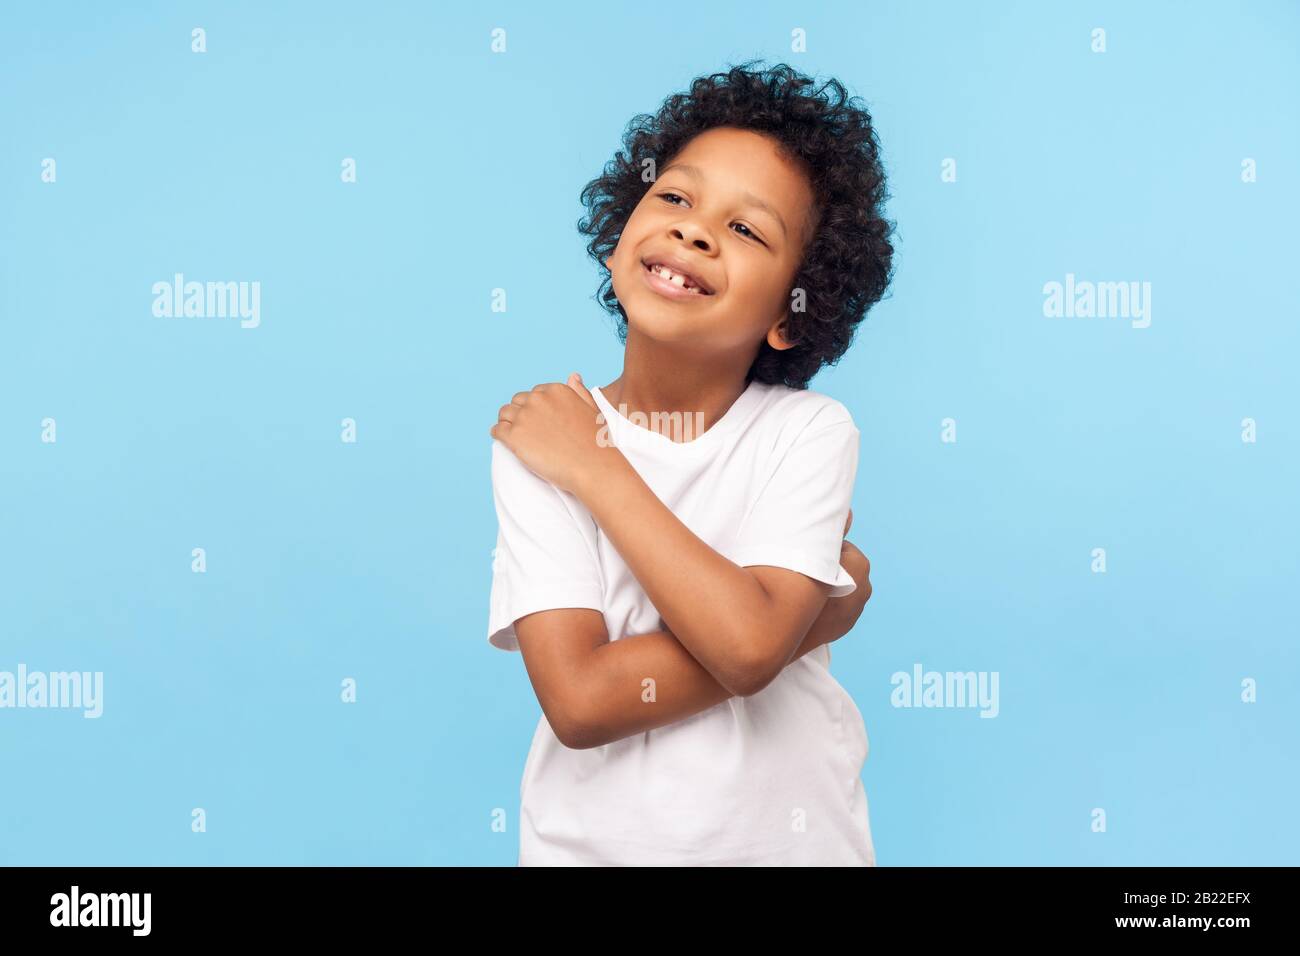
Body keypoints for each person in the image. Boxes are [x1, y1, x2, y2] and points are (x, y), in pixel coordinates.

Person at [487, 61, 894, 866]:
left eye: (747, 230)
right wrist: (798, 621)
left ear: (789, 313)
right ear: (618, 237)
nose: (694, 229)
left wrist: (599, 471)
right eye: (674, 197)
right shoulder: (546, 436)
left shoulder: (808, 433)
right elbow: (579, 699)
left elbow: (747, 649)